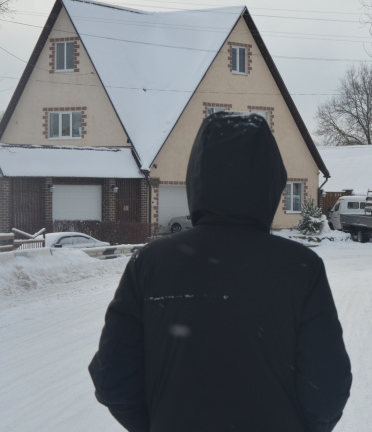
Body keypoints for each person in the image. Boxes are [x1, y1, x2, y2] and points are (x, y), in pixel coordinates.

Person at [89, 112, 352, 431]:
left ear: (197, 177)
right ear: (271, 181)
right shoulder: (300, 269)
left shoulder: (151, 264)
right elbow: (327, 391)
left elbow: (112, 379)